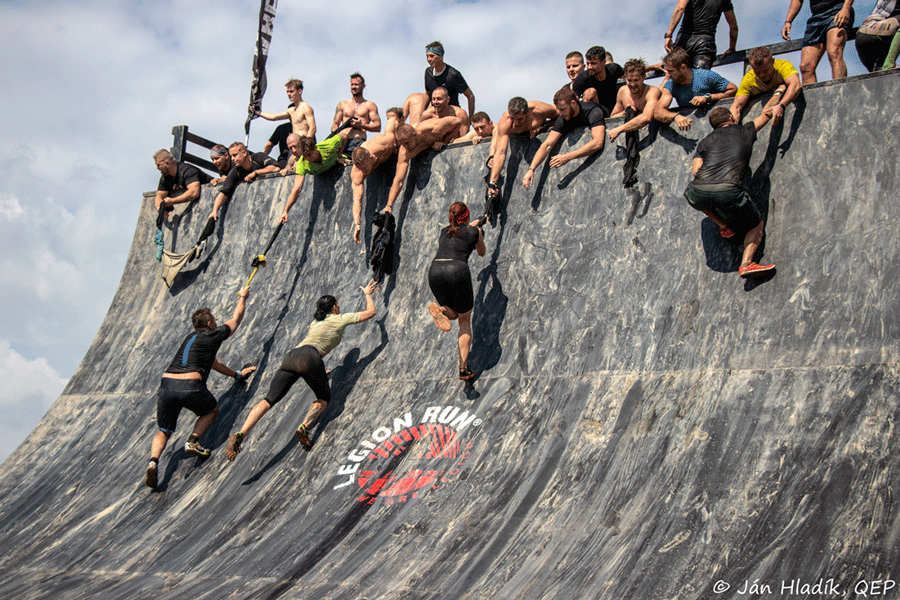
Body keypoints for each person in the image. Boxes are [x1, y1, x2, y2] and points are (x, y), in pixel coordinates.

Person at [225, 280, 378, 458]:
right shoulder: (339, 319)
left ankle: (241, 433)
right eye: (338, 304)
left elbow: (313, 347)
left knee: (269, 399)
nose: (340, 307)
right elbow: (371, 312)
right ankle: (304, 427)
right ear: (335, 306)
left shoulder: (315, 323)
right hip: (310, 359)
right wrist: (367, 294)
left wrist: (320, 373)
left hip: (292, 357)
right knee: (323, 397)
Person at [144, 286, 256, 488]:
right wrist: (242, 297)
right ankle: (193, 440)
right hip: (189, 385)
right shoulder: (212, 335)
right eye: (213, 320)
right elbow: (236, 320)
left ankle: (153, 462)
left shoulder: (190, 339)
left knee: (163, 431)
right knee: (211, 410)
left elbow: (214, 363)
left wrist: (236, 374)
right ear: (210, 323)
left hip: (167, 385)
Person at [684, 106, 776, 278]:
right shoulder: (744, 130)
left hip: (697, 191)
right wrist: (779, 95)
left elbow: (696, 171)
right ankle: (747, 264)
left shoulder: (705, 141)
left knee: (699, 197)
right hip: (728, 190)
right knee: (756, 223)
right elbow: (765, 115)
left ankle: (723, 225)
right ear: (732, 118)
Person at [426, 202, 486, 380]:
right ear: (466, 215)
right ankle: (463, 368)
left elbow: (460, 230)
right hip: (457, 270)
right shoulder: (475, 232)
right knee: (464, 320)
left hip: (435, 271)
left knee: (451, 314)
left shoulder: (444, 232)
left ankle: (440, 310)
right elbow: (481, 252)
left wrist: (475, 224)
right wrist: (478, 234)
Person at [522, 87, 606, 191]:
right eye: (558, 109)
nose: (560, 113)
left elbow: (598, 142)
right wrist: (531, 169)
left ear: (573, 103)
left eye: (562, 109)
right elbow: (548, 144)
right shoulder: (563, 118)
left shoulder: (593, 111)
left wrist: (568, 157)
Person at [384, 115, 463, 213]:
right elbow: (399, 180)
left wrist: (444, 141)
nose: (405, 147)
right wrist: (389, 205)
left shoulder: (434, 128)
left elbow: (458, 121)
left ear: (415, 134)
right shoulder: (405, 152)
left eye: (407, 143)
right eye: (402, 144)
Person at [487, 97, 559, 198]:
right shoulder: (506, 120)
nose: (515, 123)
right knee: (497, 132)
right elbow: (501, 152)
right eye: (513, 119)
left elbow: (561, 113)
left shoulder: (539, 109)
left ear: (528, 113)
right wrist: (492, 182)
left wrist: (544, 126)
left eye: (520, 120)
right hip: (511, 140)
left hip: (539, 145)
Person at [350, 108, 403, 243]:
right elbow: (357, 199)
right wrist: (357, 224)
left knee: (393, 127)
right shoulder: (357, 173)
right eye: (360, 168)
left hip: (390, 146)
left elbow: (391, 127)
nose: (363, 171)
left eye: (364, 167)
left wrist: (397, 145)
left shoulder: (382, 144)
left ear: (370, 157)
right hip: (381, 157)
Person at [655, 48, 737, 131]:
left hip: (715, 125)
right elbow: (658, 112)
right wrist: (676, 116)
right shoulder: (670, 84)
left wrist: (708, 97)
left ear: (683, 67)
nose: (668, 74)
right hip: (693, 129)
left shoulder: (706, 75)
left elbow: (733, 90)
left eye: (671, 71)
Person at [280, 131, 350, 223]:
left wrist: (339, 156)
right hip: (325, 179)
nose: (308, 158)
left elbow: (344, 136)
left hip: (340, 168)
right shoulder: (303, 163)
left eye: (309, 154)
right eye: (304, 156)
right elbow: (297, 188)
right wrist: (285, 211)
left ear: (315, 149)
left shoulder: (328, 146)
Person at [783, 0, 855, 84]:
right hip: (816, 16)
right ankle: (812, 97)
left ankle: (840, 93)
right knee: (806, 66)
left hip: (838, 10)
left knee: (834, 53)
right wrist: (788, 21)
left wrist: (846, 8)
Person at [729, 47, 801, 126]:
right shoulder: (749, 79)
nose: (762, 75)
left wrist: (781, 106)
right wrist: (732, 129)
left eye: (765, 71)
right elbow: (736, 107)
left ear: (773, 61)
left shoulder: (783, 65)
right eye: (757, 72)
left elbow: (796, 85)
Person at [208, 142, 280, 221]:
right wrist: (214, 211)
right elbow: (223, 193)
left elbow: (276, 168)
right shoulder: (236, 171)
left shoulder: (258, 157)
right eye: (231, 156)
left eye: (235, 155)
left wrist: (256, 173)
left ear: (244, 153)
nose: (232, 159)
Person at [664, 0, 739, 69]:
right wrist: (732, 48)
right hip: (705, 44)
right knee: (700, 79)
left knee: (677, 77)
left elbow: (680, 8)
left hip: (684, 41)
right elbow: (733, 26)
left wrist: (669, 35)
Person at [607, 59, 663, 142]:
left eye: (636, 80)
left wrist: (619, 129)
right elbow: (613, 118)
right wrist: (626, 112)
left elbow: (646, 117)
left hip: (655, 139)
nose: (633, 84)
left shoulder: (652, 92)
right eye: (629, 80)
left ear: (644, 77)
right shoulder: (623, 91)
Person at [331, 72, 381, 159]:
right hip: (343, 142)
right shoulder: (343, 104)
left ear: (363, 86)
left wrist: (361, 125)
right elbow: (335, 124)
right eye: (352, 84)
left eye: (356, 84)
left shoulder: (370, 105)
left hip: (360, 142)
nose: (354, 87)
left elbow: (378, 126)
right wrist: (336, 136)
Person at [424, 41, 476, 120]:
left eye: (432, 56)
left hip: (452, 114)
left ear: (441, 56)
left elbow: (470, 96)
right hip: (435, 114)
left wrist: (470, 120)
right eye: (427, 56)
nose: (428, 59)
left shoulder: (453, 74)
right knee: (417, 98)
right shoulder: (428, 72)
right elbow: (427, 95)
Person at [153, 149, 211, 216]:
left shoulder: (188, 171)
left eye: (158, 165)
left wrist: (173, 201)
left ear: (167, 163)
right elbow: (159, 196)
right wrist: (160, 209)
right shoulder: (165, 177)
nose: (157, 168)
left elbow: (194, 192)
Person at [571, 46, 624, 115]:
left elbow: (629, 82)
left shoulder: (614, 69)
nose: (589, 67)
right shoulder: (582, 78)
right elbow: (572, 103)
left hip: (618, 109)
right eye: (588, 63)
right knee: (590, 92)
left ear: (604, 62)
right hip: (597, 113)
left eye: (593, 63)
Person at [854, 0, 900, 72]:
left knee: (880, 79)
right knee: (886, 70)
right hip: (876, 31)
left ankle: (886, 66)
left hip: (862, 36)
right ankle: (888, 65)